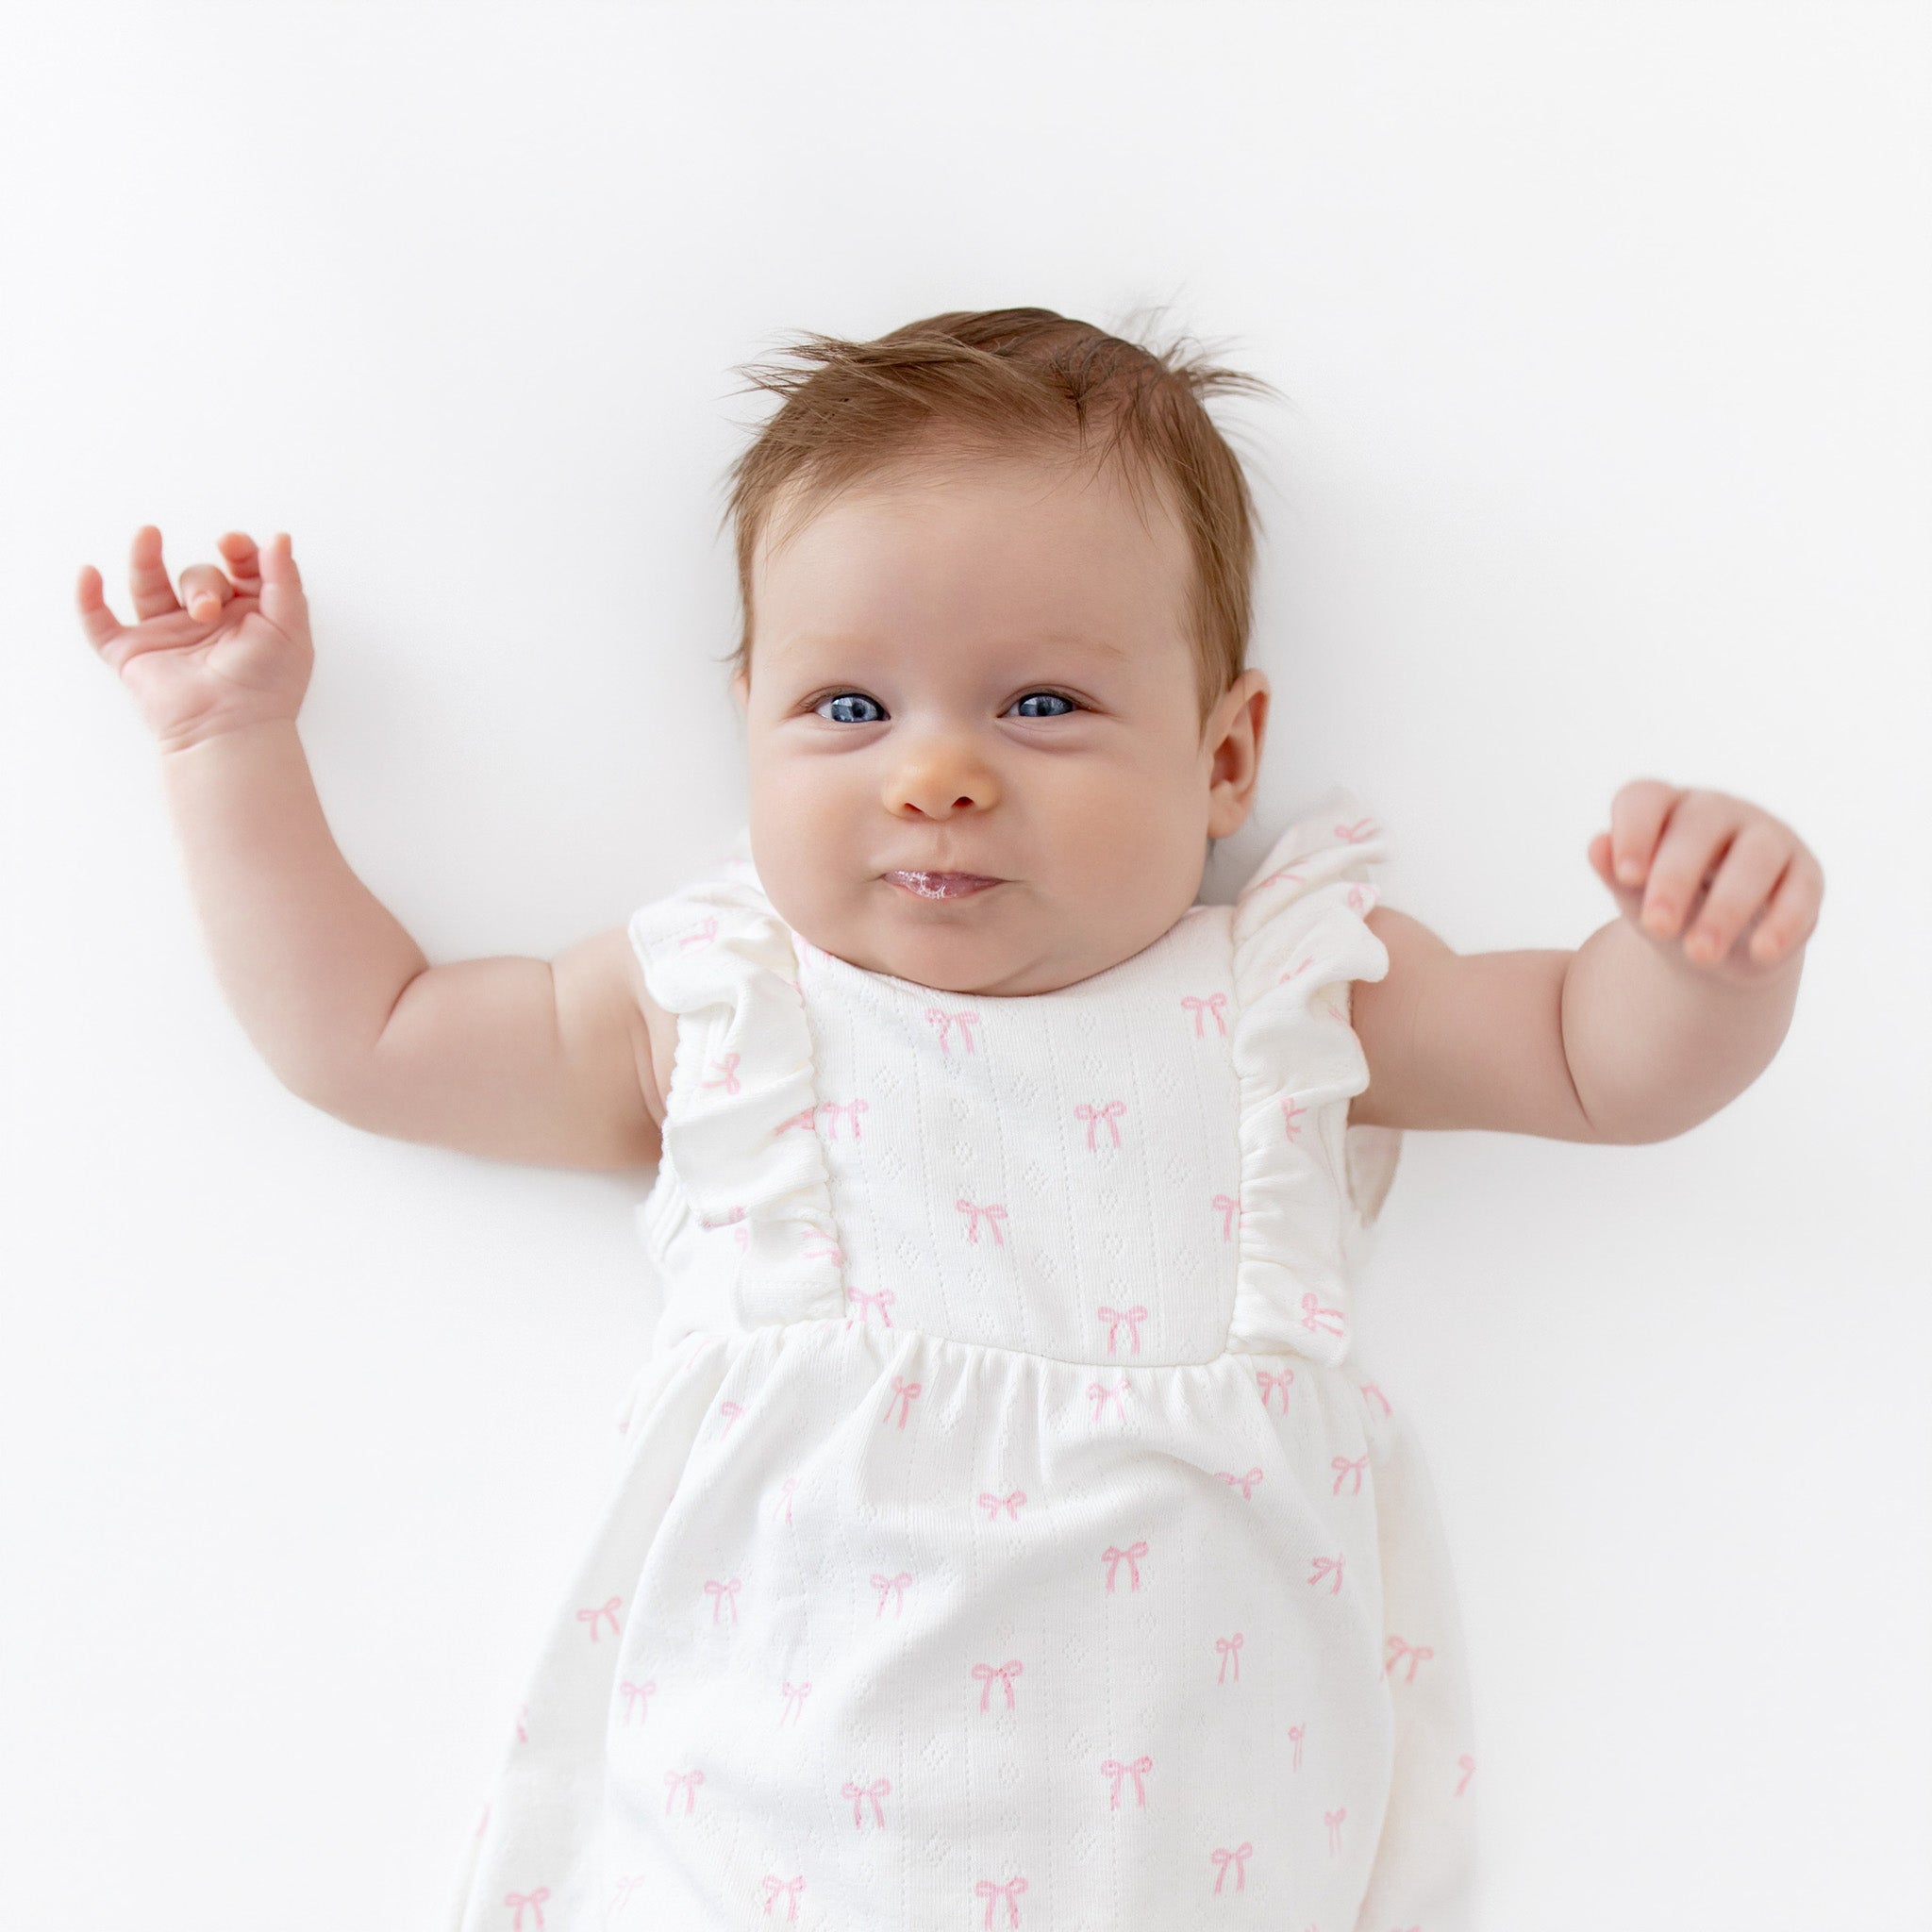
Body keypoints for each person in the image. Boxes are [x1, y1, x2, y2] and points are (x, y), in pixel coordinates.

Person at [75, 308, 1822, 1930]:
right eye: (849, 708)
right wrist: (230, 749)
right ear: (748, 734)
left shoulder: (1294, 998)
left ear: (1225, 759)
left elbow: (1598, 1066)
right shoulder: (731, 1008)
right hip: (772, 1846)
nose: (937, 772)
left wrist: (1700, 961)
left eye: (1041, 705)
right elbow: (370, 1037)